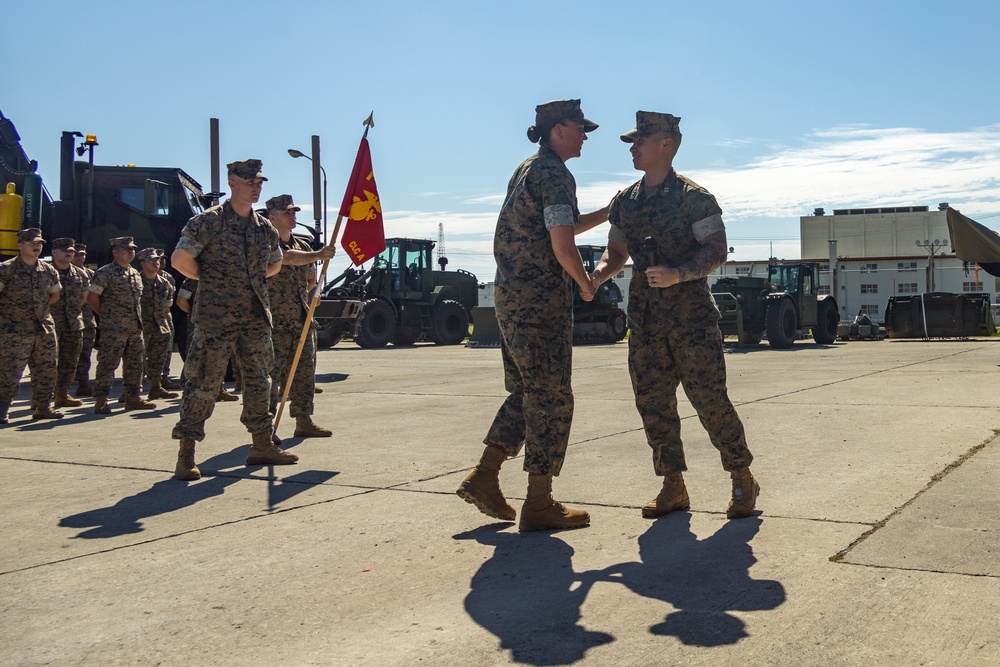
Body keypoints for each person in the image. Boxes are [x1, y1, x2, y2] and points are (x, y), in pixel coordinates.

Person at [589, 111, 759, 519]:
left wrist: (678, 274)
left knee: (708, 399)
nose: (632, 148)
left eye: (639, 141)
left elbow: (717, 249)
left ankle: (741, 476)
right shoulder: (625, 202)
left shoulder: (694, 197)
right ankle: (673, 485)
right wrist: (596, 277)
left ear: (665, 144)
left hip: (692, 320)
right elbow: (616, 252)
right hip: (645, 322)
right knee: (653, 403)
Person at [456, 99, 608, 532]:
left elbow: (561, 227)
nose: (585, 137)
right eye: (581, 129)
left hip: (514, 296)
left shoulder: (530, 168)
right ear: (560, 128)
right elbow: (563, 246)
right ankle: (539, 502)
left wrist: (607, 213)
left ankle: (484, 475)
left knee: (528, 392)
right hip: (541, 302)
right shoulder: (555, 174)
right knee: (551, 397)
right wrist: (586, 282)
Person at [169, 159, 294, 481]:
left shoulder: (263, 227)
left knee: (259, 383)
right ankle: (186, 454)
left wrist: (247, 281)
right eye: (249, 180)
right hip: (216, 317)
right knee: (203, 383)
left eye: (259, 181)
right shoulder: (207, 222)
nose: (256, 185)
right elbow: (180, 259)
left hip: (254, 316)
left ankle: (262, 445)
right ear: (232, 181)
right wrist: (213, 282)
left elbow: (275, 265)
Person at [264, 194, 336, 439]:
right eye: (287, 212)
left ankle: (303, 420)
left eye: (294, 211)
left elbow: (311, 278)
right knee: (271, 378)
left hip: (301, 319)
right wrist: (319, 255)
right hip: (273, 322)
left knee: (305, 373)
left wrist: (310, 293)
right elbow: (285, 258)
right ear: (272, 217)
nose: (293, 215)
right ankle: (265, 427)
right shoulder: (265, 243)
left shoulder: (304, 245)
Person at [0, 228, 64, 423]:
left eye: (40, 243)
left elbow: (54, 295)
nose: (37, 246)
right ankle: (2, 410)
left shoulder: (48, 270)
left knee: (46, 370)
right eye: (32, 243)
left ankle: (44, 407)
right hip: (13, 331)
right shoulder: (6, 269)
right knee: (9, 372)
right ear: (20, 245)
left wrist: (39, 310)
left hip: (43, 329)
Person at [88, 236, 156, 414]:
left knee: (135, 364)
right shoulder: (105, 273)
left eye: (132, 248)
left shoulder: (134, 274)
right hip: (113, 329)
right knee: (107, 364)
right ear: (115, 252)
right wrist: (107, 316)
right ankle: (101, 400)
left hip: (135, 328)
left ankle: (132, 397)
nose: (131, 251)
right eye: (126, 249)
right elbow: (93, 297)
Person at [48, 238, 89, 409]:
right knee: (46, 363)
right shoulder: (46, 272)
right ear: (54, 253)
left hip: (73, 325)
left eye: (71, 250)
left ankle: (62, 394)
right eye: (64, 250)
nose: (69, 253)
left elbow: (84, 298)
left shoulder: (80, 274)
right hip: (50, 325)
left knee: (69, 362)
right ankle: (40, 397)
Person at [137, 248, 179, 401]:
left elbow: (167, 305)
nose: (157, 263)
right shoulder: (136, 281)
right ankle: (132, 393)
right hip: (141, 326)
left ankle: (155, 388)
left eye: (158, 260)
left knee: (158, 359)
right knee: (135, 360)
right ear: (142, 263)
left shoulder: (165, 283)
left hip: (160, 326)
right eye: (152, 260)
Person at [71, 243, 97, 397]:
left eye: (83, 255)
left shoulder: (91, 274)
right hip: (68, 321)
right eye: (77, 254)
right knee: (63, 356)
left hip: (87, 320)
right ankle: (57, 389)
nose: (80, 257)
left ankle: (83, 384)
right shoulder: (62, 272)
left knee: (85, 354)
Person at [156, 250, 182, 391]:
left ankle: (163, 379)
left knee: (166, 350)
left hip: (165, 319)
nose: (161, 262)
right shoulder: (141, 277)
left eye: (163, 259)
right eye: (159, 259)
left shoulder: (169, 278)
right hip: (148, 321)